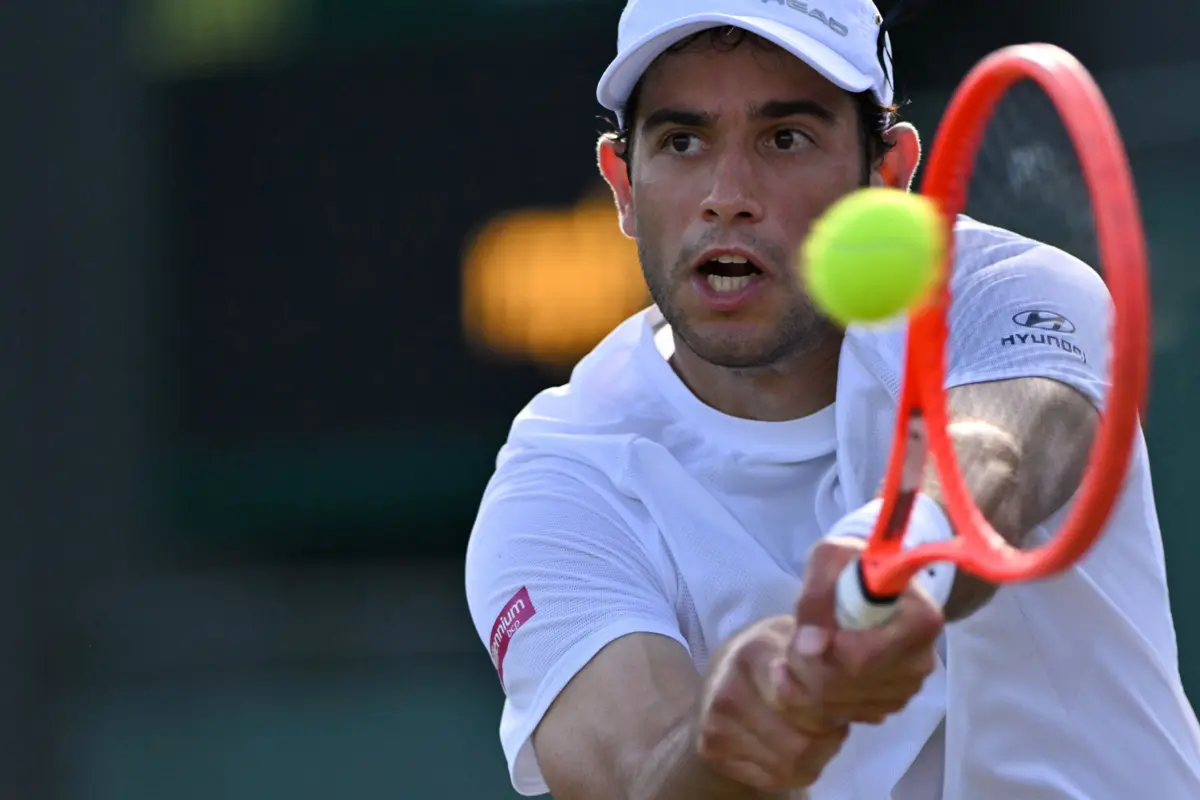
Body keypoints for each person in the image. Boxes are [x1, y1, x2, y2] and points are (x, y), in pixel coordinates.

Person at [464, 0, 1200, 797]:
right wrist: (733, 740)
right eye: (682, 141)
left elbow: (1001, 453)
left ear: (887, 176)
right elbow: (638, 778)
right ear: (624, 187)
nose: (727, 195)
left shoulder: (1007, 293)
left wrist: (903, 550)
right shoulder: (558, 483)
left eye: (786, 138)